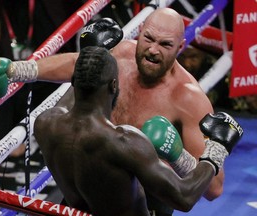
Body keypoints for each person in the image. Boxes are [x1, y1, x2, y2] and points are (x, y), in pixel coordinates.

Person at [0, 8, 231, 215]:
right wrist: (18, 71)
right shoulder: (121, 55)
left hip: (143, 205)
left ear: (180, 47)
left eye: (165, 44)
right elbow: (77, 64)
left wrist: (178, 155)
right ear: (140, 33)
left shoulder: (189, 99)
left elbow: (213, 189)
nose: (153, 50)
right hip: (87, 191)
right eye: (149, 39)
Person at [33, 46, 242, 216]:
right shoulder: (124, 143)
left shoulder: (45, 123)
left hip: (75, 209)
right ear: (114, 85)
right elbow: (184, 197)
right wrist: (217, 149)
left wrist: (96, 55)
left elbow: (79, 87)